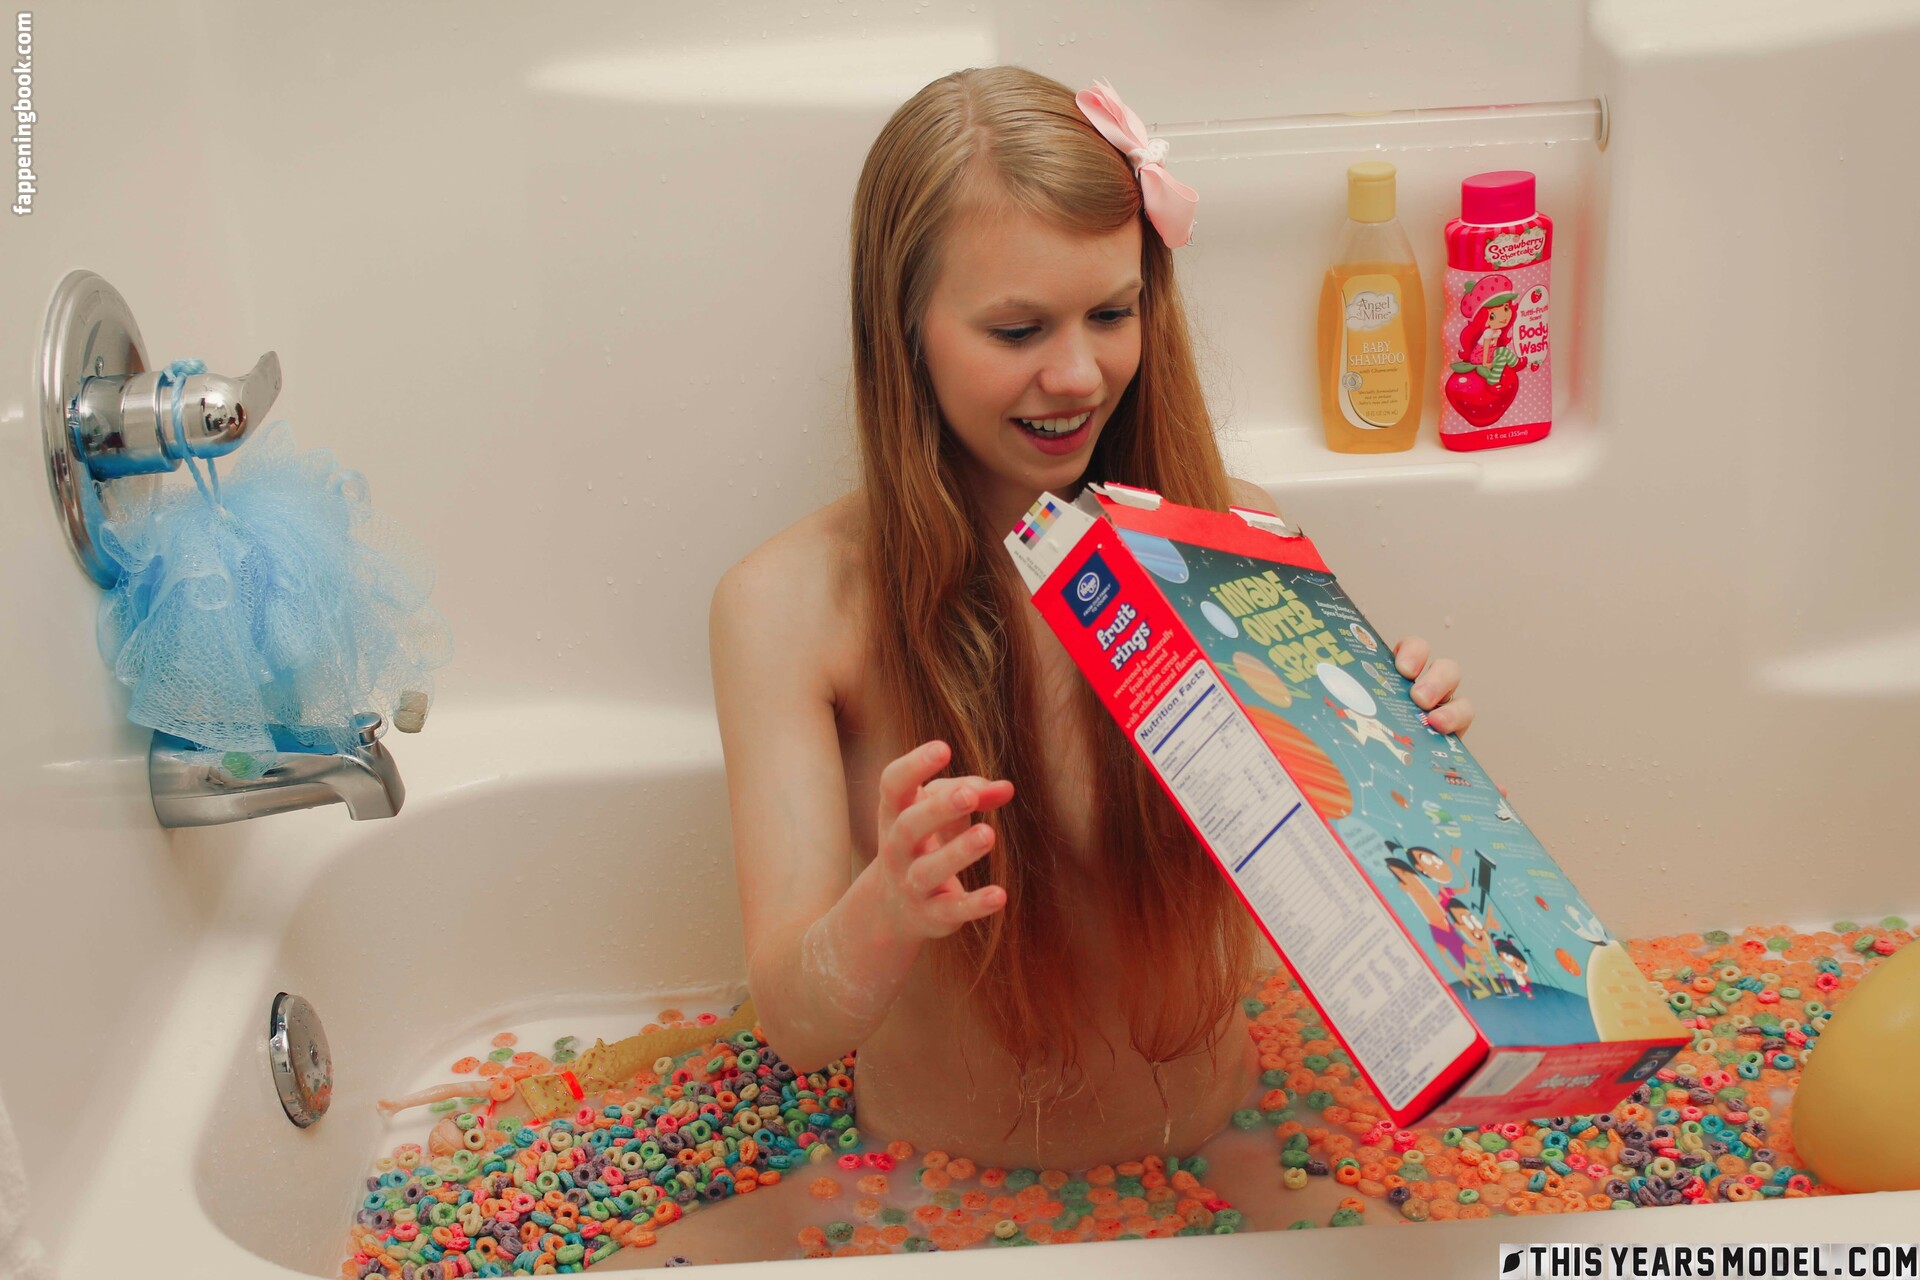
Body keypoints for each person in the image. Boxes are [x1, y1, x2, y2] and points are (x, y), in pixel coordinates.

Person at [706, 63, 1474, 1209]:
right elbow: (797, 1022)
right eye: (1018, 328)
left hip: (1225, 1152)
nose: (1077, 375)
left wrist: (1397, 766)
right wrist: (884, 910)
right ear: (903, 330)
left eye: (1113, 313)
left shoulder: (1232, 543)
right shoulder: (790, 606)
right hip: (939, 1197)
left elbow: (1360, 912)